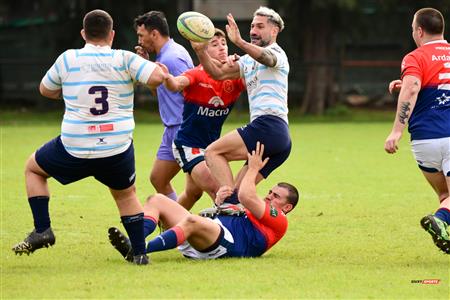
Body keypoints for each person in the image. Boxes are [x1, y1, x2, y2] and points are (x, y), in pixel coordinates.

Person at [11, 9, 166, 265]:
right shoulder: (124, 59)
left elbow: (45, 89)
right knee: (126, 195)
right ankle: (139, 253)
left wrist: (71, 92)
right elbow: (158, 78)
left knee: (33, 170)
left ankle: (43, 230)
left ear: (83, 33)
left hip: (74, 145)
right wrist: (152, 68)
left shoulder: (68, 59)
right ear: (112, 35)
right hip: (116, 146)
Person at [108, 142, 299, 261]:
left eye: (276, 196)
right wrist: (220, 202)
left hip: (225, 246)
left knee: (192, 220)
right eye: (270, 192)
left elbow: (246, 195)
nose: (269, 196)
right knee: (157, 199)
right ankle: (136, 241)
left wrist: (253, 168)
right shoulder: (258, 212)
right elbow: (239, 205)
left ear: (287, 207)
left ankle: (138, 251)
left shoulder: (279, 219)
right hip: (210, 235)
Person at [191, 7, 291, 204]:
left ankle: (226, 205)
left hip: (269, 127)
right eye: (252, 26)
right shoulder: (247, 61)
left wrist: (239, 42)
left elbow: (266, 58)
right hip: (279, 138)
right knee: (239, 195)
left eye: (260, 26)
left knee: (212, 152)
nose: (253, 30)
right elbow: (218, 73)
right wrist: (201, 51)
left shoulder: (277, 53)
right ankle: (238, 220)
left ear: (274, 31)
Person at [384, 7, 450, 254]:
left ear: (419, 31)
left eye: (413, 28)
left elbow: (413, 88)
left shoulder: (415, 57)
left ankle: (445, 229)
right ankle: (441, 220)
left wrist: (396, 131)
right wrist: (409, 87)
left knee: (445, 193)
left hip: (424, 141)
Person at [161, 28, 245, 210]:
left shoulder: (234, 76)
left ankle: (169, 228)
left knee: (193, 193)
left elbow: (256, 77)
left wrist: (244, 64)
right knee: (219, 189)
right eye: (214, 45)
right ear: (203, 50)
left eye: (224, 44)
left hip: (212, 148)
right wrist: (167, 77)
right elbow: (176, 84)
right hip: (188, 145)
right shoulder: (196, 74)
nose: (222, 48)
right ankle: (226, 234)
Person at [134, 11, 194, 201]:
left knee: (201, 187)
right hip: (172, 129)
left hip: (183, 128)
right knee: (158, 179)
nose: (140, 41)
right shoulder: (163, 57)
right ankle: (176, 224)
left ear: (154, 34)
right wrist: (147, 66)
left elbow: (192, 92)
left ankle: (231, 218)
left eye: (141, 36)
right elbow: (161, 92)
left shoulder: (172, 58)